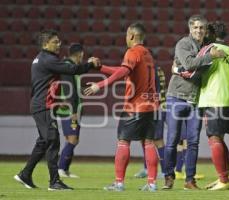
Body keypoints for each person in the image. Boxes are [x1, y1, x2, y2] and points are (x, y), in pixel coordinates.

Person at [14, 30, 100, 190]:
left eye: (59, 41)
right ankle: (54, 181)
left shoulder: (40, 58)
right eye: (55, 41)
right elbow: (72, 70)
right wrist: (90, 65)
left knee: (44, 141)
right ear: (45, 44)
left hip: (40, 104)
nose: (59, 44)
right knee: (53, 140)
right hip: (44, 106)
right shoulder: (48, 59)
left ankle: (25, 174)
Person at [84, 22, 159, 192]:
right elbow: (124, 70)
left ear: (131, 36)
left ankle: (119, 183)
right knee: (149, 143)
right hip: (151, 106)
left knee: (123, 142)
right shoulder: (147, 53)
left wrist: (100, 85)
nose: (125, 38)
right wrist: (101, 68)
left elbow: (123, 72)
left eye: (126, 35)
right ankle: (152, 183)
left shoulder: (132, 52)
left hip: (135, 106)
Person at [163, 15, 225, 190]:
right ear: (190, 28)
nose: (198, 31)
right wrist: (209, 57)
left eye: (201, 28)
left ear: (205, 31)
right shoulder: (183, 44)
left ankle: (190, 180)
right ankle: (169, 176)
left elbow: (195, 69)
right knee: (172, 140)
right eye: (196, 27)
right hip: (176, 96)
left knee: (193, 141)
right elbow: (189, 64)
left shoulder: (207, 47)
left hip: (196, 99)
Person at [193, 21, 229, 190]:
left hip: (215, 98)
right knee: (219, 138)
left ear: (211, 34)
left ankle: (224, 181)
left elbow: (194, 67)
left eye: (206, 32)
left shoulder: (210, 48)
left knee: (213, 138)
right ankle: (224, 178)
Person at [56, 43, 85, 178]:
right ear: (80, 54)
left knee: (71, 138)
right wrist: (73, 110)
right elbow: (69, 90)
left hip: (70, 109)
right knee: (73, 139)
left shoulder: (72, 68)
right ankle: (60, 168)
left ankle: (65, 169)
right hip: (69, 110)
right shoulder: (68, 67)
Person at [134, 66, 167, 179]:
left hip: (156, 108)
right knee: (145, 139)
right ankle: (146, 168)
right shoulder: (151, 69)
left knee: (158, 140)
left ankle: (164, 171)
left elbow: (155, 91)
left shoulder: (153, 70)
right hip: (147, 108)